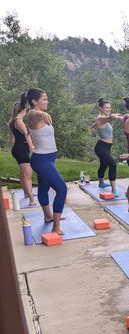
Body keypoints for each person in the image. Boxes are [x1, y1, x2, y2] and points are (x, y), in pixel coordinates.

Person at [24, 88, 68, 235]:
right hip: (41, 159)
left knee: (43, 188)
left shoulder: (40, 115)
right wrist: (42, 113)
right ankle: (56, 228)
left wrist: (43, 113)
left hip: (48, 158)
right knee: (61, 189)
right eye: (44, 99)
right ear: (34, 101)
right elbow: (35, 115)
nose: (47, 101)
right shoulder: (32, 115)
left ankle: (48, 215)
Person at [8, 98, 36, 206]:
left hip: (19, 149)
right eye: (26, 110)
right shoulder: (18, 121)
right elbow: (26, 134)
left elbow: (18, 136)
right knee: (27, 175)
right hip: (21, 150)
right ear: (22, 110)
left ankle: (26, 193)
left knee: (24, 174)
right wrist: (31, 147)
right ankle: (31, 200)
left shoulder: (15, 120)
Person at [91, 98, 122, 195]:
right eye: (106, 108)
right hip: (101, 147)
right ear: (101, 108)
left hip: (107, 147)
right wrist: (115, 116)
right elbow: (109, 118)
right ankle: (114, 190)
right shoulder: (101, 118)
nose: (109, 109)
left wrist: (93, 126)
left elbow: (98, 122)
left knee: (104, 164)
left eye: (110, 107)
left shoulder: (101, 118)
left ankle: (101, 183)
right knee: (112, 164)